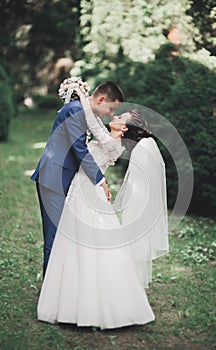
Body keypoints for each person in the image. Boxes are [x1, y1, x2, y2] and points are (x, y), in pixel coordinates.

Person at [37, 87, 169, 329]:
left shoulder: (111, 143)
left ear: (125, 129)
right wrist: (78, 94)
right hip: (80, 186)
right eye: (113, 110)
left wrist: (100, 179)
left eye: (118, 116)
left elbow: (85, 146)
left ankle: (73, 296)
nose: (112, 116)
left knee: (79, 242)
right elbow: (89, 127)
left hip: (87, 190)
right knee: (69, 241)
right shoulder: (98, 129)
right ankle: (67, 293)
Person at [31, 78, 124, 277]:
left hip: (65, 177)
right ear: (101, 99)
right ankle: (50, 290)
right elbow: (79, 149)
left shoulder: (83, 112)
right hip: (54, 178)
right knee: (54, 236)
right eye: (111, 109)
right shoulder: (75, 110)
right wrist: (101, 181)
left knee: (62, 234)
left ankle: (59, 287)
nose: (111, 115)